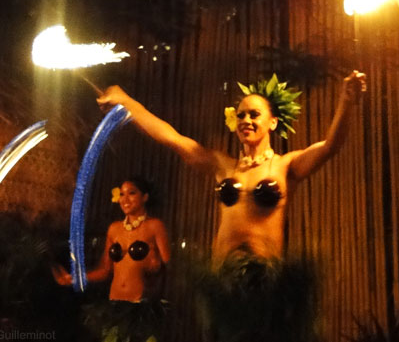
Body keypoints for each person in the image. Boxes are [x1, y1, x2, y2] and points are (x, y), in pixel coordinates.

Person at [96, 71, 366, 341]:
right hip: (222, 281)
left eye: (254, 114)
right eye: (241, 115)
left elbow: (330, 146)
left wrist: (345, 102)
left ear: (272, 122)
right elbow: (170, 137)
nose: (246, 120)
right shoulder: (223, 166)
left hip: (263, 283)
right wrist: (125, 101)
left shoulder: (286, 167)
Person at [53, 177, 171, 342]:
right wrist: (74, 278)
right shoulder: (114, 229)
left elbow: (169, 264)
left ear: (145, 197)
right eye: (122, 194)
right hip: (114, 304)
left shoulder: (154, 226)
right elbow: (105, 270)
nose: (125, 199)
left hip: (142, 306)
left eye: (132, 193)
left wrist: (155, 265)